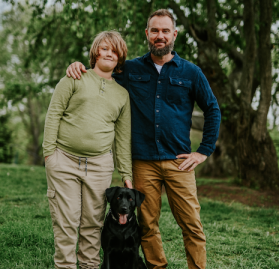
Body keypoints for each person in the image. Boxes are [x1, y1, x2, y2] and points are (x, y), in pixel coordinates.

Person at [67, 9, 221, 269]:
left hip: (179, 161)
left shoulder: (191, 72)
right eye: (154, 31)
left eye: (164, 31)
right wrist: (79, 66)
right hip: (143, 162)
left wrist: (203, 151)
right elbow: (100, 73)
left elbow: (212, 109)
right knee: (148, 226)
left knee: (192, 225)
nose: (159, 36)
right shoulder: (130, 69)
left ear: (174, 34)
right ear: (147, 34)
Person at [43, 30, 132, 269]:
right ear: (95, 52)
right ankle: (65, 265)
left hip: (99, 165)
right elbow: (53, 115)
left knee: (93, 224)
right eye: (104, 48)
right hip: (64, 161)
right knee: (67, 221)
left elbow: (122, 138)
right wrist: (49, 155)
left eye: (115, 51)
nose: (109, 54)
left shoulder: (122, 95)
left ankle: (90, 266)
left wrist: (126, 175)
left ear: (120, 57)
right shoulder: (74, 78)